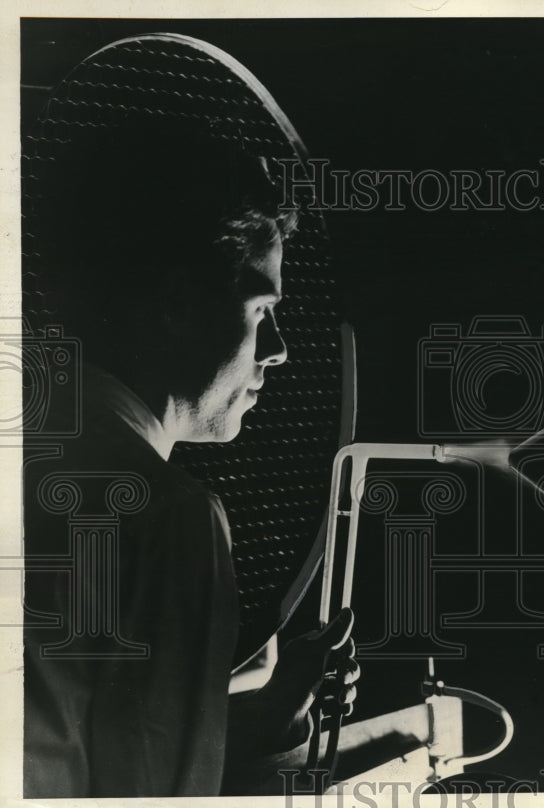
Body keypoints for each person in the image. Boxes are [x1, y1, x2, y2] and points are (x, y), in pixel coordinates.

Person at [22, 122, 358, 797]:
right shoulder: (171, 519)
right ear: (176, 303)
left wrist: (256, 716)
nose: (279, 349)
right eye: (262, 309)